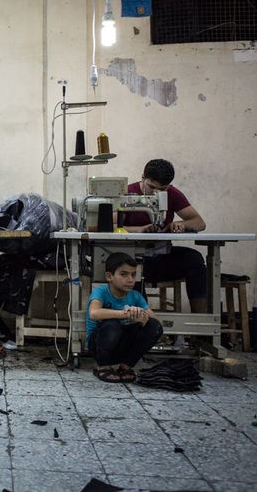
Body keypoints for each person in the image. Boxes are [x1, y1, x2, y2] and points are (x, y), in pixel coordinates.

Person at [123, 159, 208, 313]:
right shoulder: (127, 193)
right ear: (143, 178)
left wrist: (183, 224)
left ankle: (200, 323)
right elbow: (113, 228)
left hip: (162, 258)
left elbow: (200, 223)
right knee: (128, 270)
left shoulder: (173, 194)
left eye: (162, 189)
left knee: (194, 259)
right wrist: (139, 230)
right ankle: (143, 322)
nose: (157, 193)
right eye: (152, 187)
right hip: (134, 259)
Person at [87, 252, 163, 383]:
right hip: (99, 345)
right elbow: (94, 313)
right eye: (124, 274)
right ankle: (103, 366)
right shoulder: (101, 291)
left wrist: (142, 318)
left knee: (153, 326)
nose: (130, 280)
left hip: (122, 346)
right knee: (112, 325)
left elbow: (156, 323)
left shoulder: (136, 296)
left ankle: (126, 366)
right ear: (109, 276)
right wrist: (124, 314)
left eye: (133, 275)